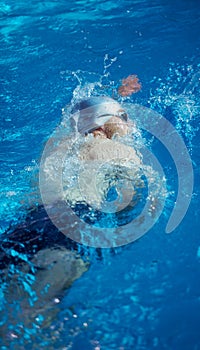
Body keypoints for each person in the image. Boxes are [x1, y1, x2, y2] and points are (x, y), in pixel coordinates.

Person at [0, 75, 145, 344]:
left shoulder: (55, 143)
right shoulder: (120, 151)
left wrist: (118, 96)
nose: (132, 123)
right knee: (34, 316)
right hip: (68, 225)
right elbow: (130, 200)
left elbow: (83, 111)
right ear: (107, 124)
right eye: (125, 117)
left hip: (23, 225)